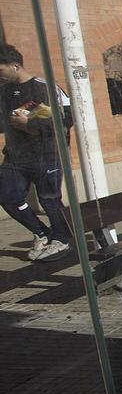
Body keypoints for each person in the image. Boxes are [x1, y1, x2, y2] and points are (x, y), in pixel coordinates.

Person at [0, 44, 72, 261]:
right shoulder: (3, 92)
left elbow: (66, 120)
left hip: (46, 155)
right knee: (7, 196)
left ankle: (61, 240)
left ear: (15, 66)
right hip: (15, 157)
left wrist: (29, 123)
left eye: (0, 69)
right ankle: (41, 233)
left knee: (49, 199)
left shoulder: (45, 87)